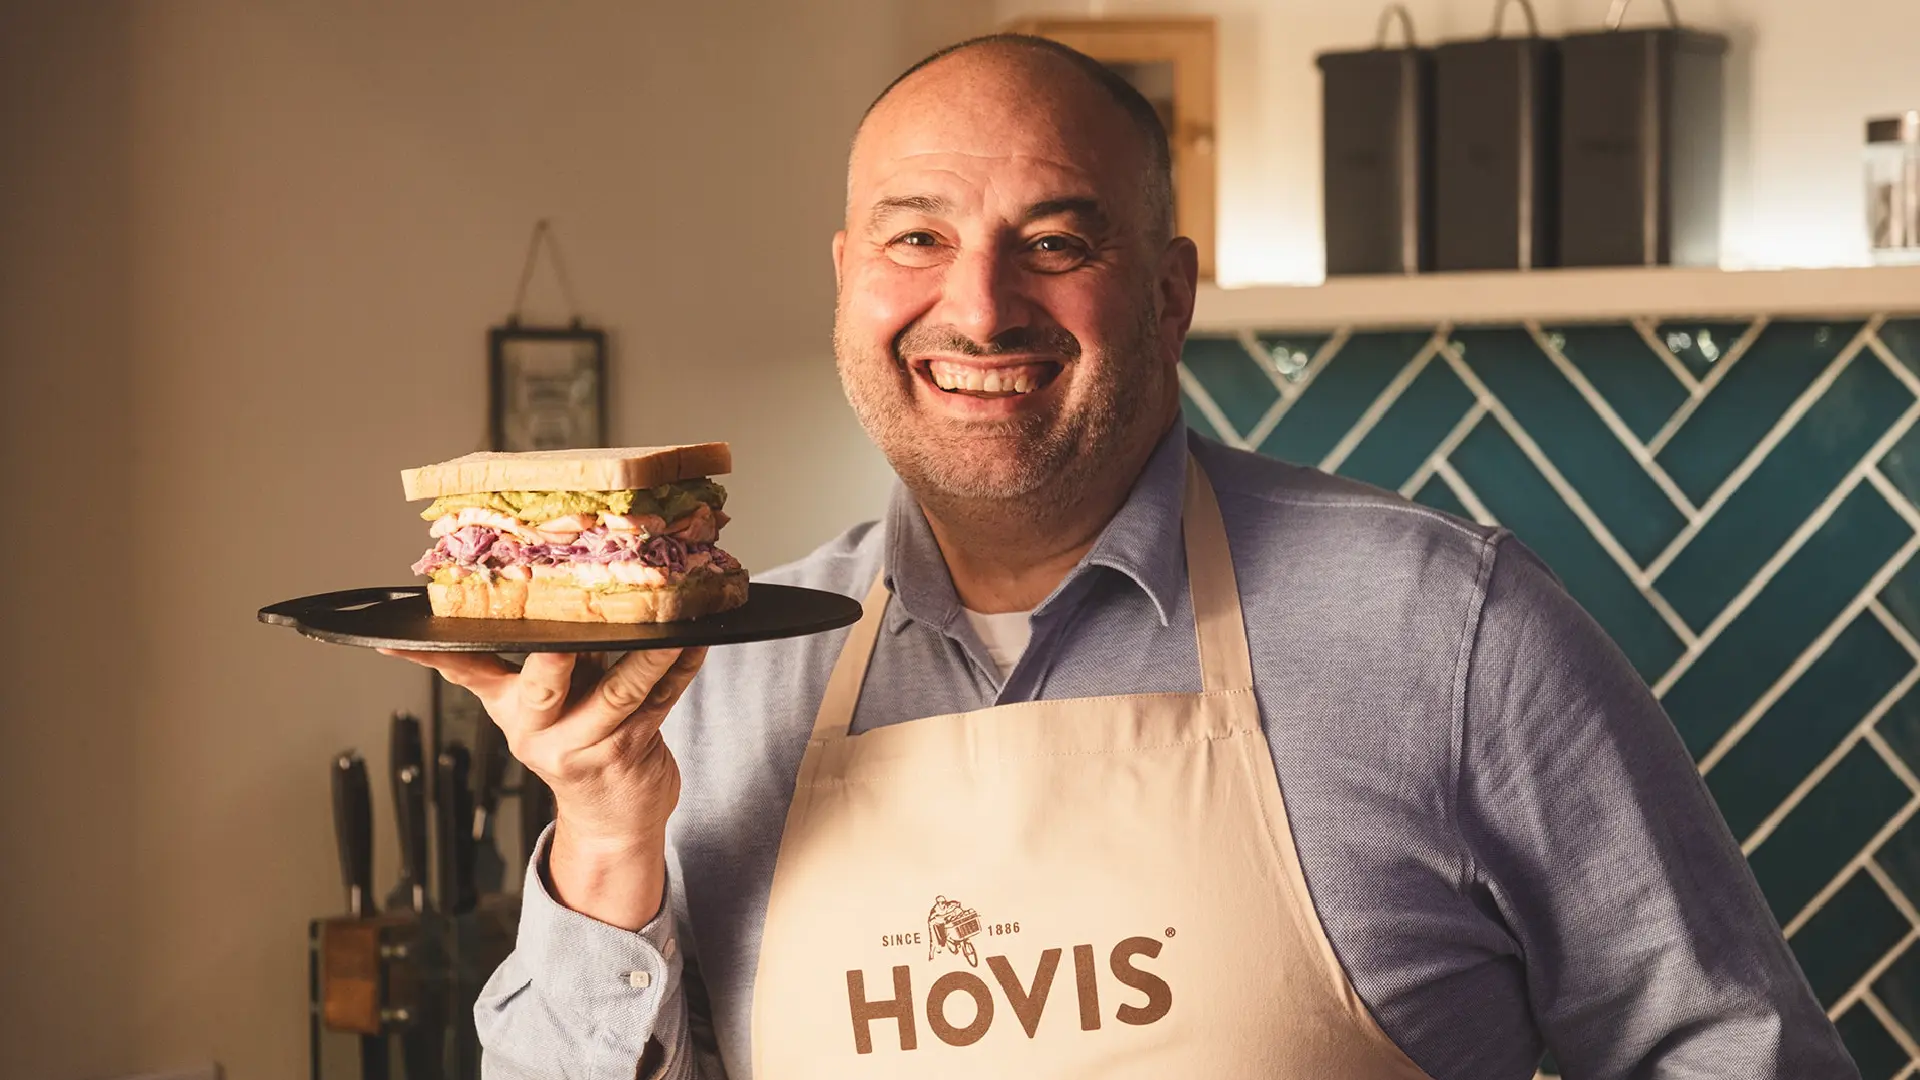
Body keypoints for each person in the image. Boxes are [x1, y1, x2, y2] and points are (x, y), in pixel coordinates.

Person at [385, 33, 1861, 1080]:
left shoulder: (1447, 634)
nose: (979, 305)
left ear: (1169, 293)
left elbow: (1737, 1054)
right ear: (846, 283)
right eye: (915, 238)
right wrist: (601, 826)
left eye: (1056, 239)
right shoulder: (724, 676)